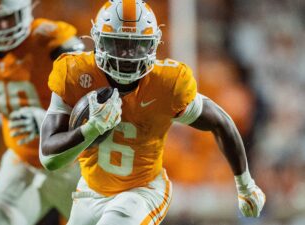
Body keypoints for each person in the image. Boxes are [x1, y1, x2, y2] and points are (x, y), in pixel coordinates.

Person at [39, 0, 266, 224]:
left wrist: (246, 185)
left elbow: (220, 122)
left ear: (153, 44)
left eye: (136, 45)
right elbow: (49, 158)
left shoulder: (167, 84)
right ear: (98, 41)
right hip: (91, 191)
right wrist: (90, 129)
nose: (127, 55)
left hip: (142, 191)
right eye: (118, 44)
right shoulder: (75, 73)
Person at [0, 0, 84, 224]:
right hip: (23, 160)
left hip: (75, 162)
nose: (2, 26)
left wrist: (53, 122)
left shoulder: (52, 40)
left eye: (8, 17)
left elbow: (93, 93)